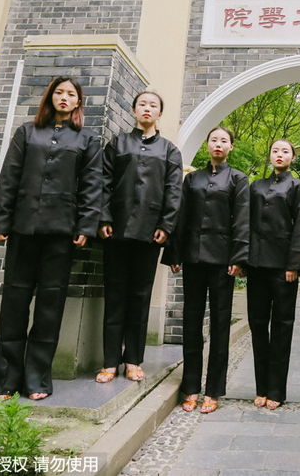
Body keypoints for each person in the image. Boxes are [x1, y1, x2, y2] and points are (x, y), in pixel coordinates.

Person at [0, 76, 103, 401]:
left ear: (79, 102)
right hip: (23, 228)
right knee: (14, 303)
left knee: (50, 306)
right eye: (59, 92)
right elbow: (9, 176)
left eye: (71, 94)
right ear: (50, 97)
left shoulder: (87, 139)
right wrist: (0, 220)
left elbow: (92, 187)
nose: (64, 98)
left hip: (61, 233)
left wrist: (85, 226)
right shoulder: (27, 132)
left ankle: (37, 379)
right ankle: (6, 380)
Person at [95, 91, 183, 384]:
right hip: (116, 230)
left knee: (140, 297)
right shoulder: (118, 144)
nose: (147, 108)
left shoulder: (170, 151)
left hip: (150, 234)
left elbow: (174, 191)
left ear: (160, 114)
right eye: (143, 104)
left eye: (153, 105)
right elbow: (104, 182)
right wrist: (104, 217)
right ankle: (109, 361)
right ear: (134, 110)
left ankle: (133, 359)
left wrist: (166, 226)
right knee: (115, 295)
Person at [163, 127, 249, 415]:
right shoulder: (193, 179)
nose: (218, 144)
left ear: (231, 147)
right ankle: (190, 388)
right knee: (191, 322)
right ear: (208, 145)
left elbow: (242, 221)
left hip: (223, 261)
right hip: (193, 259)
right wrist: (174, 252)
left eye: (224, 141)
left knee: (221, 324)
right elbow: (181, 215)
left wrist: (239, 257)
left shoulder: (238, 179)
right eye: (214, 140)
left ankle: (213, 390)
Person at [247, 139, 300, 410]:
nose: (280, 154)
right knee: (258, 326)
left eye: (285, 151)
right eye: (275, 150)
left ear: (292, 157)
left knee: (282, 327)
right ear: (270, 155)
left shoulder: (299, 187)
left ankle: (276, 391)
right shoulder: (256, 186)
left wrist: (294, 265)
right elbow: (245, 223)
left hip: (284, 267)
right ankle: (261, 387)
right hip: (256, 265)